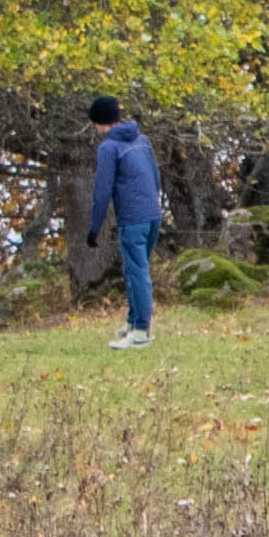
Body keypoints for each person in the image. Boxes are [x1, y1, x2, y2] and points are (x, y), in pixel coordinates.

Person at [81, 98, 164, 349]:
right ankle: (132, 321)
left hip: (133, 218)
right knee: (133, 270)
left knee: (137, 272)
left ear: (98, 122)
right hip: (153, 215)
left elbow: (102, 191)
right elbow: (156, 177)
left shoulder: (108, 148)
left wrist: (94, 227)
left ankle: (141, 331)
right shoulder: (142, 140)